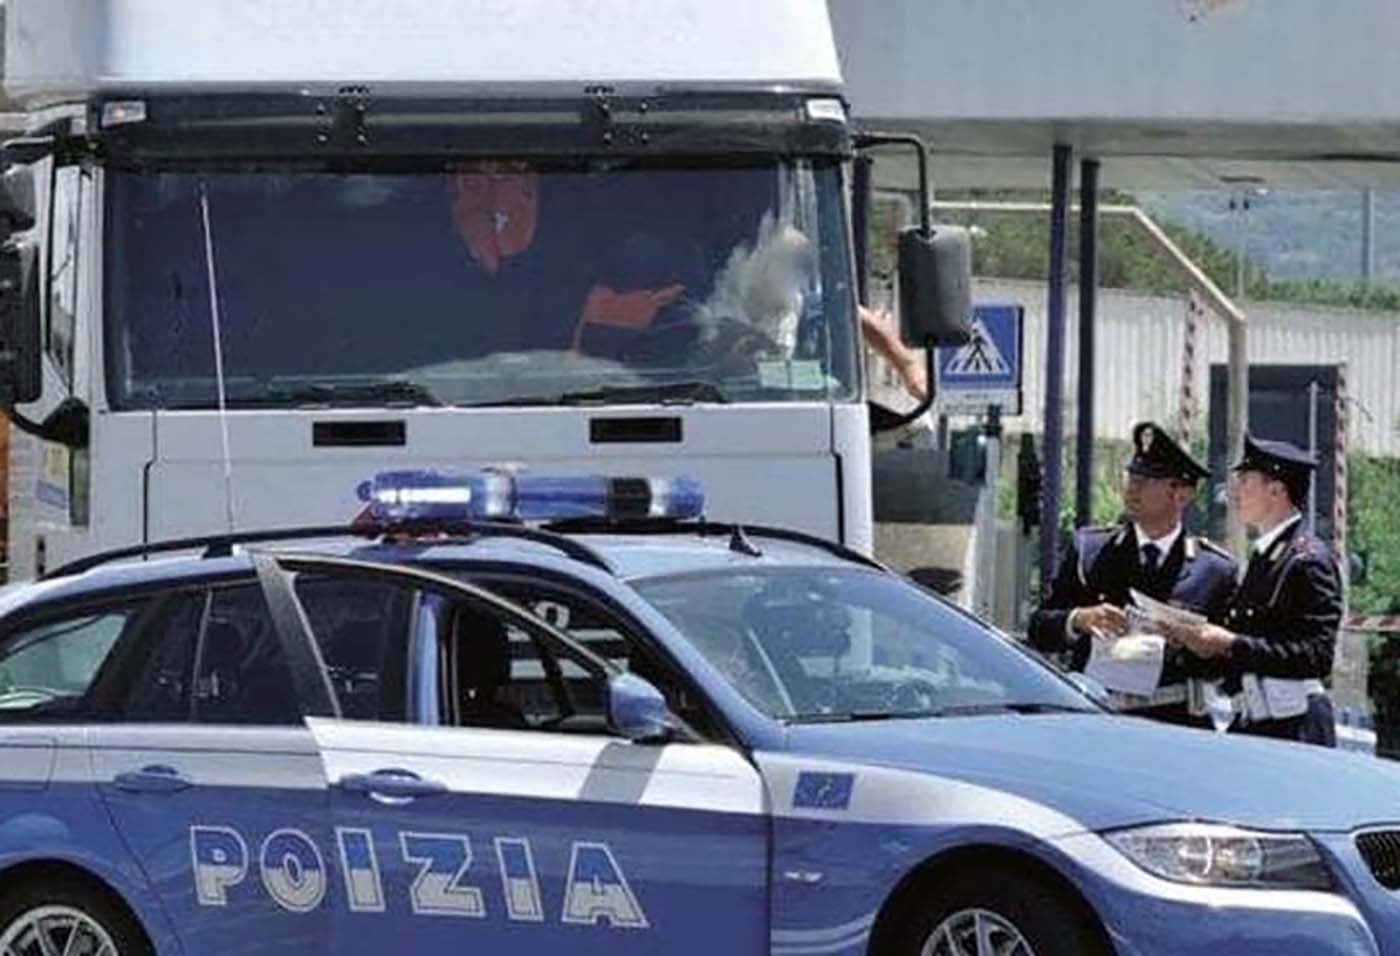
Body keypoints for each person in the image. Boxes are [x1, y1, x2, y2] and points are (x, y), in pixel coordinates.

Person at [1027, 422, 1238, 726]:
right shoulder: (1091, 551)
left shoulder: (1214, 570)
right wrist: (1080, 619)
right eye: (1132, 477)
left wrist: (1194, 644)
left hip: (1175, 721)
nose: (1132, 489)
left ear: (1181, 494)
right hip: (1098, 717)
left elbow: (1231, 664)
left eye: (1147, 480)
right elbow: (1039, 629)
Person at [1164, 435, 1343, 747]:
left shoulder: (1307, 560)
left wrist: (1231, 643)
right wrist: (1196, 643)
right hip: (1254, 721)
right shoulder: (1265, 557)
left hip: (1295, 726)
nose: (1235, 491)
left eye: (1245, 480)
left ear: (1276, 490)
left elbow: (1317, 655)